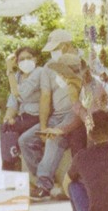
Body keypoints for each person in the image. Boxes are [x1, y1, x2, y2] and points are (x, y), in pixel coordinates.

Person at [19, 29, 88, 198]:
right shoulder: (49, 67)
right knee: (25, 140)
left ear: (65, 46)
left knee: (53, 138)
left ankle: (43, 184)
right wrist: (43, 125)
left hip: (75, 113)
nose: (52, 53)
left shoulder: (83, 61)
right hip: (55, 116)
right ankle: (42, 179)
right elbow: (45, 97)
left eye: (55, 48)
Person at [0, 43, 46, 170]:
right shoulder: (19, 76)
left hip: (37, 117)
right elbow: (13, 100)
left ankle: (40, 176)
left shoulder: (39, 72)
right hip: (24, 117)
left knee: (19, 137)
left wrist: (9, 70)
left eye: (29, 58)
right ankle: (9, 168)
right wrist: (8, 117)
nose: (25, 61)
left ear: (35, 59)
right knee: (3, 128)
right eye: (21, 59)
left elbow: (19, 93)